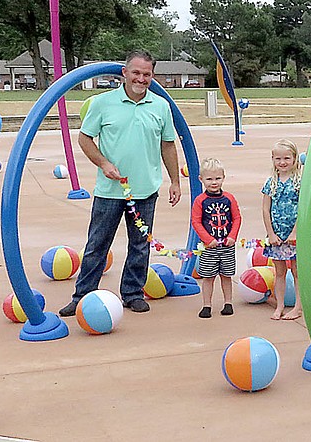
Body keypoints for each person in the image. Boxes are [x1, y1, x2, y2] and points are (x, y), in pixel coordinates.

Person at [59, 51, 181, 317]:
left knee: (140, 245)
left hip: (145, 190)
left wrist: (175, 181)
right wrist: (103, 163)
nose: (141, 78)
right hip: (109, 191)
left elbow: (168, 144)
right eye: (136, 73)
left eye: (146, 74)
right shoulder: (103, 103)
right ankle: (83, 296)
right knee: (97, 244)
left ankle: (133, 293)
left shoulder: (160, 106)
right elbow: (85, 139)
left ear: (152, 76)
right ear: (124, 73)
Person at [191, 158, 241, 318]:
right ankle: (207, 305)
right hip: (209, 247)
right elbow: (196, 222)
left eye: (217, 178)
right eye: (209, 179)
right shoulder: (200, 201)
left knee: (226, 275)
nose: (214, 182)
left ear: (223, 177)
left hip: (226, 245)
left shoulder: (229, 198)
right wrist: (207, 239)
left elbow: (237, 218)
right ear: (201, 179)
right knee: (208, 276)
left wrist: (232, 236)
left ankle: (228, 303)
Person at [262, 139, 302, 320]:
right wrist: (271, 233)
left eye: (287, 158)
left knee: (297, 272)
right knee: (279, 273)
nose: (282, 162)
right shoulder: (271, 182)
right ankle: (279, 306)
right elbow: (265, 209)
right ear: (273, 159)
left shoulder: (299, 182)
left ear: (295, 158)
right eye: (278, 158)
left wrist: (295, 232)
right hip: (277, 235)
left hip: (295, 235)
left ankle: (298, 307)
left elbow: (303, 208)